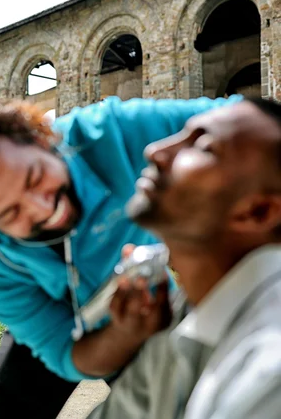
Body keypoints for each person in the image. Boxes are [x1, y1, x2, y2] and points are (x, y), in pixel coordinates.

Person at [0, 94, 241, 418]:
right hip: (55, 317)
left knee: (178, 405)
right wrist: (121, 334)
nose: (45, 210)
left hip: (144, 306)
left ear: (38, 137)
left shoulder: (108, 132)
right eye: (10, 212)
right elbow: (65, 354)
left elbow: (243, 117)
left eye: (34, 176)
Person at [88, 98, 281, 419]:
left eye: (203, 146)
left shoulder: (268, 369)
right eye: (180, 134)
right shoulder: (180, 320)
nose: (155, 150)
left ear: (257, 211)